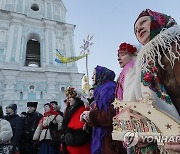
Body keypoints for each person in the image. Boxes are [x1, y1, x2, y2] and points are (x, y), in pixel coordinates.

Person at [134, 9, 180, 153]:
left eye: (143, 22)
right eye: (135, 30)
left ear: (158, 19)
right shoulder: (144, 61)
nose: (139, 29)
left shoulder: (175, 46)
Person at [81, 65, 127, 154]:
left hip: (109, 138)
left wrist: (89, 115)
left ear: (101, 75)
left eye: (94, 74)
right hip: (103, 135)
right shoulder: (102, 89)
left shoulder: (108, 89)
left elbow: (110, 116)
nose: (92, 77)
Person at [61, 87, 91, 154]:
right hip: (71, 144)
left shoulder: (82, 110)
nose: (68, 100)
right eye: (67, 98)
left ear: (76, 99)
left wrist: (68, 138)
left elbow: (82, 131)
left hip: (79, 146)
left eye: (70, 98)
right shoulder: (70, 110)